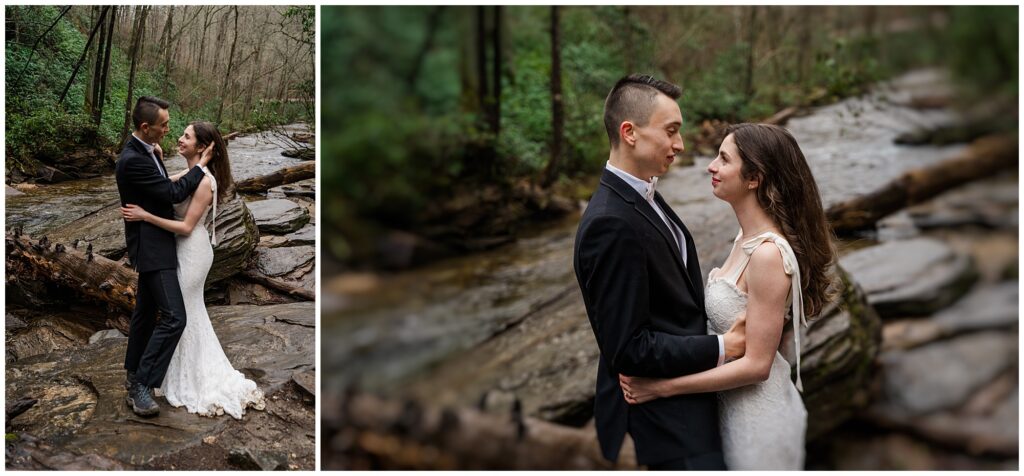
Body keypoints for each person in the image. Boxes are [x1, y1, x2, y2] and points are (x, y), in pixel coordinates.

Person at [619, 123, 838, 470]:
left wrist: (663, 388)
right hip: (729, 410)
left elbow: (757, 366)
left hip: (756, 422)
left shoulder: (768, 255)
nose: (711, 166)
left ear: (754, 178)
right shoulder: (744, 238)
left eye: (723, 159)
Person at [573, 74, 747, 470]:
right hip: (664, 428)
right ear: (629, 132)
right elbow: (629, 348)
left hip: (687, 410)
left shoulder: (642, 194)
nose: (681, 144)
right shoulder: (610, 223)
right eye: (671, 131)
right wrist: (723, 348)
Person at [121, 121, 265, 419]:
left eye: (186, 136)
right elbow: (166, 187)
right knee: (174, 313)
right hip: (176, 250)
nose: (179, 137)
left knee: (179, 315)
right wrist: (157, 159)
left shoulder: (205, 181)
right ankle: (152, 377)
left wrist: (145, 215)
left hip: (192, 251)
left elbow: (186, 226)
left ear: (201, 147)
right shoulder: (192, 173)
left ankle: (152, 380)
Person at [116, 96, 212, 417]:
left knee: (144, 313)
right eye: (164, 125)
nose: (168, 130)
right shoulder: (133, 159)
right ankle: (143, 384)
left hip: (158, 244)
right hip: (153, 247)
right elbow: (171, 194)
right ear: (146, 127)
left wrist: (160, 160)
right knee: (175, 318)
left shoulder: (147, 151)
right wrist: (199, 168)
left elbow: (161, 185)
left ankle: (133, 375)